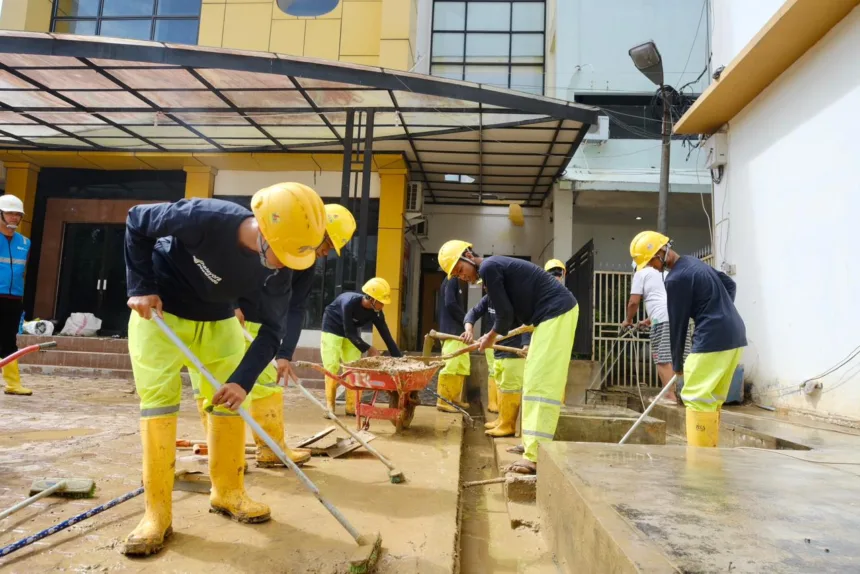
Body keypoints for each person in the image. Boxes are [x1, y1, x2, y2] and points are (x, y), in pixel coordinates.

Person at [121, 182, 326, 556]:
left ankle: (228, 492)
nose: (283, 265)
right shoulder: (204, 216)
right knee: (159, 405)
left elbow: (273, 331)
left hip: (218, 320)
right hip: (161, 311)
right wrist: (141, 285)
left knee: (229, 405)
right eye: (281, 253)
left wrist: (242, 382)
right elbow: (137, 220)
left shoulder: (279, 273)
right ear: (263, 230)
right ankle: (157, 515)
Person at [228, 203, 356, 468]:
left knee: (265, 387)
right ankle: (229, 456)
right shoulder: (270, 239)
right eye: (328, 244)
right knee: (228, 385)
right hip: (233, 323)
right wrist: (230, 304)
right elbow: (228, 268)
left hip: (265, 330)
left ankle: (270, 449)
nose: (326, 253)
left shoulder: (306, 266)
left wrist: (285, 353)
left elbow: (295, 308)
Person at [438, 240, 578, 475]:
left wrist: (491, 336)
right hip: (547, 318)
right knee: (532, 382)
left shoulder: (490, 268)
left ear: (468, 256)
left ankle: (534, 456)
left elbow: (504, 316)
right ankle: (532, 444)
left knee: (542, 384)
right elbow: (496, 312)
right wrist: (478, 329)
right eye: (456, 275)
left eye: (460, 271)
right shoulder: (492, 273)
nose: (461, 277)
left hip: (557, 313)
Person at [630, 231, 746, 447]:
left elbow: (678, 324)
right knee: (711, 398)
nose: (653, 267)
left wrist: (677, 365)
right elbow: (730, 284)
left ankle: (699, 459)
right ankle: (709, 454)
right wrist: (722, 309)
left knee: (694, 395)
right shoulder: (694, 262)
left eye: (651, 262)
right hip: (735, 335)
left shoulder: (675, 279)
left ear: (661, 251)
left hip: (712, 338)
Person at [320, 277, 402, 415]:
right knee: (332, 366)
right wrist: (369, 348)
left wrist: (399, 359)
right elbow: (349, 332)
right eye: (381, 302)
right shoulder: (349, 303)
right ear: (372, 299)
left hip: (351, 332)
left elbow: (386, 336)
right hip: (332, 328)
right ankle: (330, 406)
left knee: (354, 367)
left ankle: (352, 407)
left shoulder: (376, 312)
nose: (383, 305)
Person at [621, 265, 692, 404]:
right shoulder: (665, 273)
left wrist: (628, 320)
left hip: (663, 319)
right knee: (682, 357)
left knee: (663, 358)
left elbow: (633, 302)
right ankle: (685, 395)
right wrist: (648, 321)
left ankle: (669, 396)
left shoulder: (641, 274)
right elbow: (665, 300)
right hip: (681, 317)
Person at [463, 294, 530, 437]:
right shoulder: (490, 298)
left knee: (510, 387)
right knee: (500, 385)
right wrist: (469, 328)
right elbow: (474, 312)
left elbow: (526, 322)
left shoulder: (514, 298)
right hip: (497, 348)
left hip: (514, 352)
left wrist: (526, 344)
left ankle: (508, 425)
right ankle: (501, 420)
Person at [0, 195, 31, 396]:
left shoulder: (25, 242)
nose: (14, 217)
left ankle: (13, 384)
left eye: (18, 214)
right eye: (10, 213)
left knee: (9, 340)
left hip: (13, 298)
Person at [436, 276, 470, 412]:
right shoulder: (451, 279)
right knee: (451, 365)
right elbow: (450, 303)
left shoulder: (455, 281)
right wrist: (467, 319)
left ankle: (454, 398)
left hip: (459, 333)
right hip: (452, 331)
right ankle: (443, 400)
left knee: (462, 365)